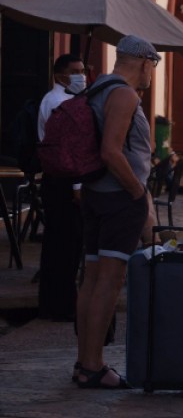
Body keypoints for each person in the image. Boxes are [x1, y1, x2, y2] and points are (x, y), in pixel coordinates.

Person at [75, 35, 160, 389]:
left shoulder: (97, 89)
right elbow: (112, 151)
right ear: (143, 63)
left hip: (96, 195)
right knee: (109, 282)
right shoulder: (124, 94)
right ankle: (93, 365)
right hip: (118, 199)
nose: (151, 74)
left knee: (92, 281)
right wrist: (138, 193)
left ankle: (84, 362)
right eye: (152, 66)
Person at [36, 53, 86, 322]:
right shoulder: (59, 102)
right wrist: (78, 185)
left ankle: (56, 302)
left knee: (62, 245)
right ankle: (60, 305)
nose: (81, 75)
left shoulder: (62, 100)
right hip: (63, 180)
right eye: (75, 71)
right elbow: (70, 150)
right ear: (60, 75)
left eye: (82, 70)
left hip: (59, 178)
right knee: (64, 245)